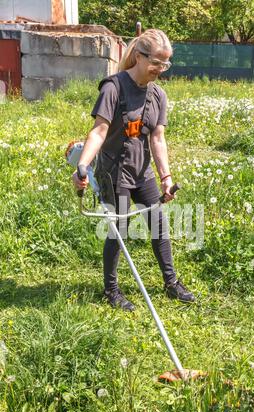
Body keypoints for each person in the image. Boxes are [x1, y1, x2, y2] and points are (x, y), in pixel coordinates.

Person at [72, 28, 195, 311]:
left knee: (158, 224)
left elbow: (157, 138)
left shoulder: (158, 95)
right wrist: (82, 165)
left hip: (142, 172)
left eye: (165, 64)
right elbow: (99, 132)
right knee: (120, 229)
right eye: (156, 63)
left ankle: (171, 281)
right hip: (115, 172)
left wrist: (166, 177)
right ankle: (111, 290)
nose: (160, 69)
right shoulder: (113, 87)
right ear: (139, 57)